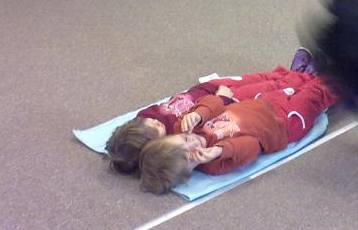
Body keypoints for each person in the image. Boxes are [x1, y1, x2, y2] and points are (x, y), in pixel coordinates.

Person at [105, 48, 317, 175]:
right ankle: (306, 77)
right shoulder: (178, 136)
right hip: (227, 99)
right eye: (154, 131)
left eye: (148, 123)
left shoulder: (146, 115)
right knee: (271, 88)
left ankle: (293, 73)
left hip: (209, 88)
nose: (155, 122)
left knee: (262, 78)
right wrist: (222, 99)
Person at [138, 75, 337, 194]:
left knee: (296, 85)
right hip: (284, 125)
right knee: (315, 95)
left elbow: (216, 102)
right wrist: (220, 150)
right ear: (189, 171)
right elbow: (252, 145)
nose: (194, 142)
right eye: (190, 155)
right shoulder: (214, 164)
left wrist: (199, 113)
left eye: (185, 139)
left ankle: (320, 72)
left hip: (262, 103)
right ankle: (344, 77)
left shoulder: (185, 126)